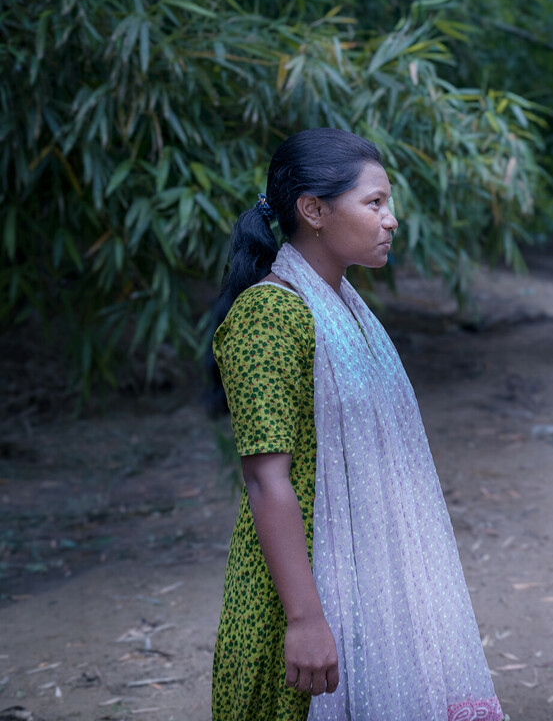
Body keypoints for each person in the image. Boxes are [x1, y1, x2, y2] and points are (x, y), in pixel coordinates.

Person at [209, 128, 502, 720]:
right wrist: (305, 619)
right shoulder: (270, 314)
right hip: (302, 586)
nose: (391, 220)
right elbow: (268, 479)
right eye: (374, 203)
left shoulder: (347, 307)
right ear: (313, 210)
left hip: (365, 580)